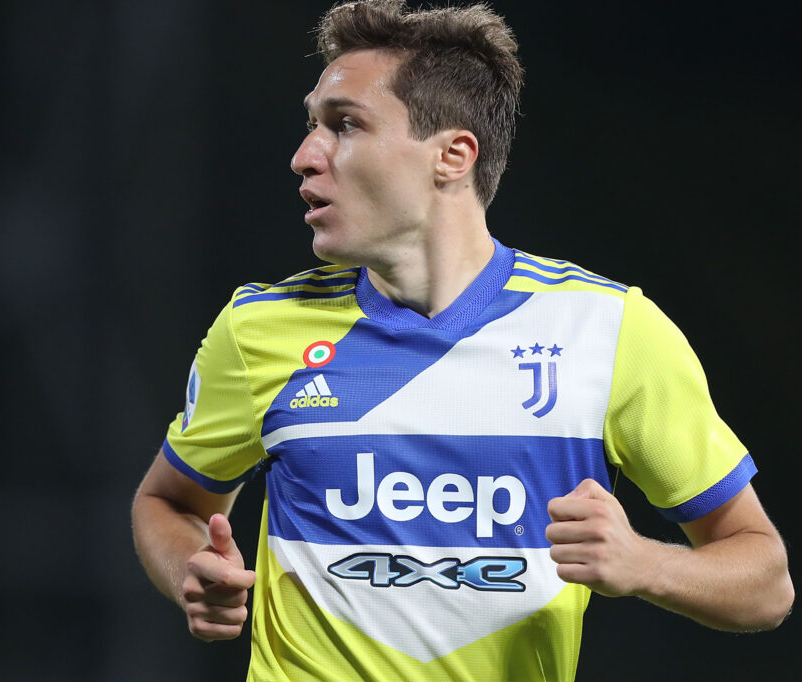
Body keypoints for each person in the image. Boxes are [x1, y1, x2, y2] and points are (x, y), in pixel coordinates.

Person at [131, 1, 794, 679]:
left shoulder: (606, 330)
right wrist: (192, 571)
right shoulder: (258, 328)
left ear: (452, 156)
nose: (304, 157)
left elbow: (766, 584)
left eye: (345, 125)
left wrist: (645, 562)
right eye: (312, 126)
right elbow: (169, 502)